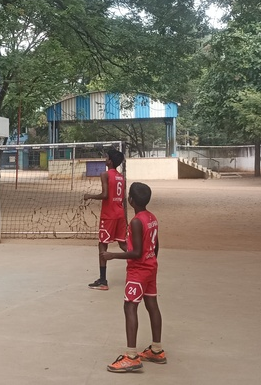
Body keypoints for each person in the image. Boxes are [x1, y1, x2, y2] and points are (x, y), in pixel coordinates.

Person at [101, 182, 166, 373]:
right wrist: (150, 260)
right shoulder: (151, 217)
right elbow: (154, 245)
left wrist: (112, 255)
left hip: (138, 271)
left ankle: (131, 356)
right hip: (150, 267)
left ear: (130, 200)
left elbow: (137, 253)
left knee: (130, 306)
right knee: (152, 305)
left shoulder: (136, 221)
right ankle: (156, 349)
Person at [82, 148, 126, 291]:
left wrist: (90, 196)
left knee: (102, 244)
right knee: (123, 243)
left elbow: (105, 195)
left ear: (110, 161)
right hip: (120, 214)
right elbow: (122, 198)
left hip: (109, 215)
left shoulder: (105, 174)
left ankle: (103, 280)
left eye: (106, 157)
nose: (105, 159)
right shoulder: (121, 177)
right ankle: (142, 263)